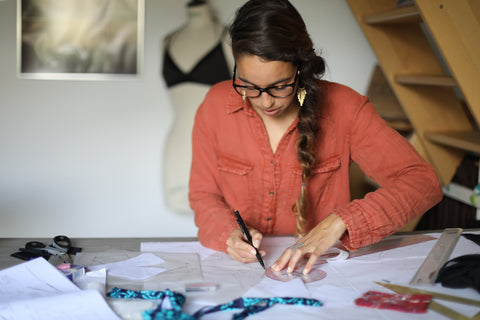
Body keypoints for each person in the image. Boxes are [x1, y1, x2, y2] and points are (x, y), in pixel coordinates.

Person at [189, 0, 443, 275]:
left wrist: (341, 221)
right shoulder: (215, 106)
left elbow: (422, 182)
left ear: (302, 68)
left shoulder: (345, 108)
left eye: (279, 86)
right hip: (239, 272)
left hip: (320, 273)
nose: (264, 101)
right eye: (249, 86)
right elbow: (204, 196)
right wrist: (229, 234)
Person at [162, 0, 234, 213]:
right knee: (179, 208)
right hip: (178, 144)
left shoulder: (228, 37)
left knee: (221, 217)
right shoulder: (167, 41)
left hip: (217, 141)